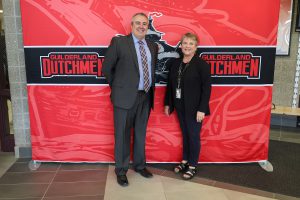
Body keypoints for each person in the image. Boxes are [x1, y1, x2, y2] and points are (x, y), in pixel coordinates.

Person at [102, 13, 158, 186]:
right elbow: (107, 68)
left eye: (145, 23)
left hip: (145, 96)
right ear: (132, 25)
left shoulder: (152, 45)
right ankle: (121, 170)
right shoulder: (119, 43)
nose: (142, 26)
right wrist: (119, 88)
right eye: (138, 23)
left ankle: (140, 166)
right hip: (124, 98)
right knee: (122, 135)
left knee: (140, 133)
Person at [164, 32, 211, 180]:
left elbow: (207, 89)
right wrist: (168, 103)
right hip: (179, 106)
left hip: (195, 109)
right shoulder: (176, 64)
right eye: (185, 43)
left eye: (191, 44)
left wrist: (202, 109)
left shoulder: (202, 65)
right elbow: (170, 86)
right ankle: (184, 161)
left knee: (193, 136)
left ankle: (192, 165)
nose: (187, 46)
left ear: (196, 47)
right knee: (185, 134)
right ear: (181, 45)